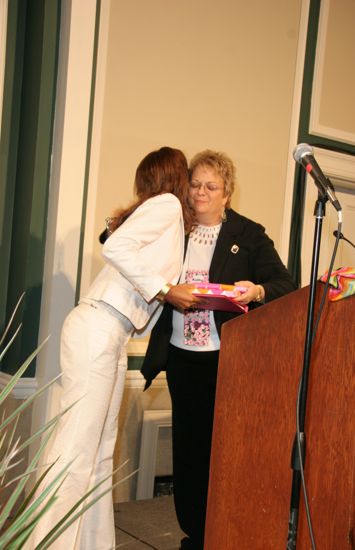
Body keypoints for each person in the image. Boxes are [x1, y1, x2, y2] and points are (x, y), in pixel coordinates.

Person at [26, 147, 194, 550]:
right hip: (99, 326)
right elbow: (115, 248)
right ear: (176, 177)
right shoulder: (167, 204)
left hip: (112, 333)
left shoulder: (164, 215)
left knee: (99, 453)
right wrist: (168, 289)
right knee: (76, 450)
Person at [141, 149, 297, 550]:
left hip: (226, 361)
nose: (200, 193)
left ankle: (221, 531)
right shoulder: (176, 227)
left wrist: (256, 290)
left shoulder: (248, 235)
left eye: (212, 186)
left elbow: (284, 284)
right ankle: (194, 531)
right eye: (195, 184)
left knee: (221, 450)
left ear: (227, 193)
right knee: (187, 448)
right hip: (180, 357)